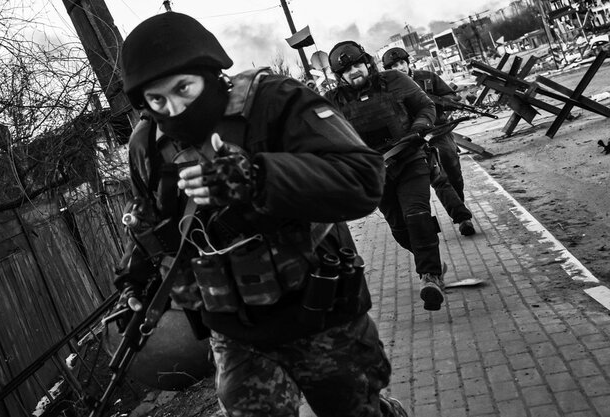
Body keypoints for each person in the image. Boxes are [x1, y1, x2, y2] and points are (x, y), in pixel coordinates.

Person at [114, 11, 408, 417]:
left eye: (183, 88)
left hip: (320, 311)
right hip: (235, 331)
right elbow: (150, 220)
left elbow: (363, 180)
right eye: (158, 100)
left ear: (210, 71)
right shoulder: (147, 144)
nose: (175, 109)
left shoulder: (275, 101)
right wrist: (134, 276)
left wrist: (259, 178)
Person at [324, 40, 447, 311]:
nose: (354, 72)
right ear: (340, 76)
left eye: (357, 65)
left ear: (367, 63)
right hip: (374, 172)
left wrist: (418, 128)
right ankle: (431, 260)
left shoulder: (395, 80)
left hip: (410, 158)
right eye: (346, 70)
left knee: (417, 214)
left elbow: (426, 106)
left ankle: (430, 276)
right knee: (400, 229)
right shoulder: (333, 101)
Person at [381, 47, 476, 237]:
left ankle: (460, 206)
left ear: (408, 62)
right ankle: (461, 218)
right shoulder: (387, 88)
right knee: (437, 177)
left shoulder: (427, 77)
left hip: (438, 131)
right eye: (394, 66)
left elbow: (451, 97)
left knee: (452, 169)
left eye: (402, 63)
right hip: (412, 139)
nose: (400, 67)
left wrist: (434, 102)